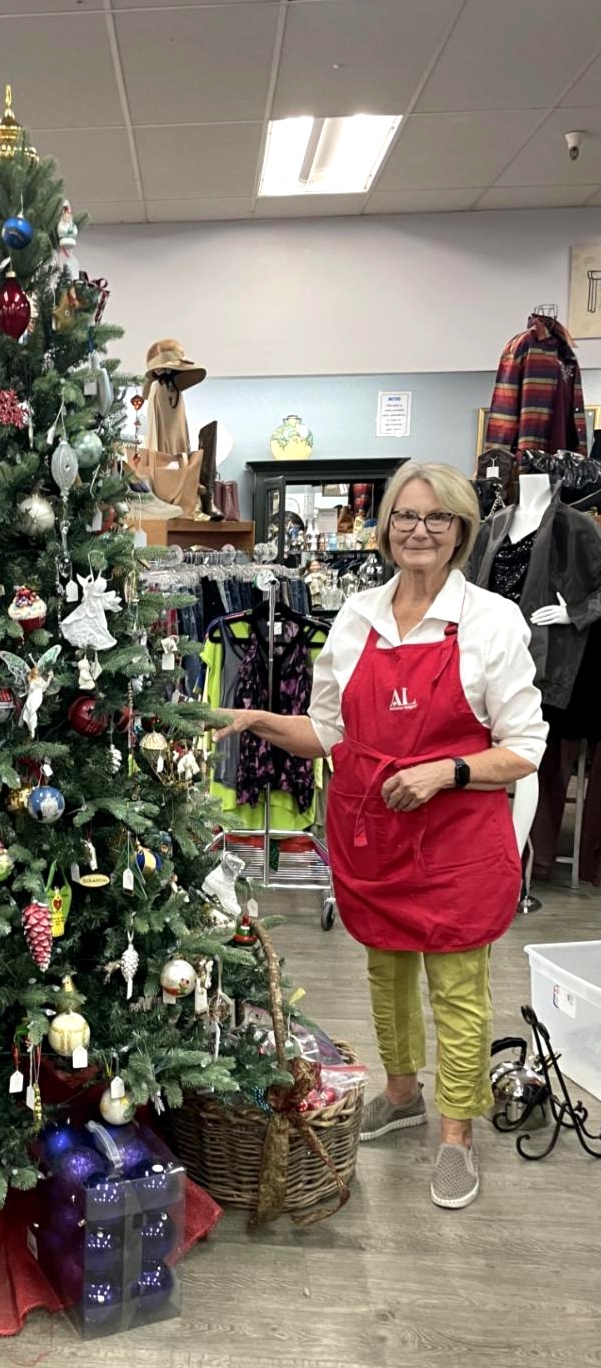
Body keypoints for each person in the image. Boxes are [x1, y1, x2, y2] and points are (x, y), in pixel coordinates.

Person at [217, 461, 546, 1210]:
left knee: (457, 988)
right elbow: (328, 730)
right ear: (386, 525)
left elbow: (525, 746)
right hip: (375, 837)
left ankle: (457, 1131)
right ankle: (402, 1093)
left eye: (435, 518)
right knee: (387, 973)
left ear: (460, 529)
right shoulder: (358, 615)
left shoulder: (491, 621)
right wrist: (261, 719)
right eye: (405, 515)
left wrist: (443, 772)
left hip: (458, 839)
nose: (418, 530)